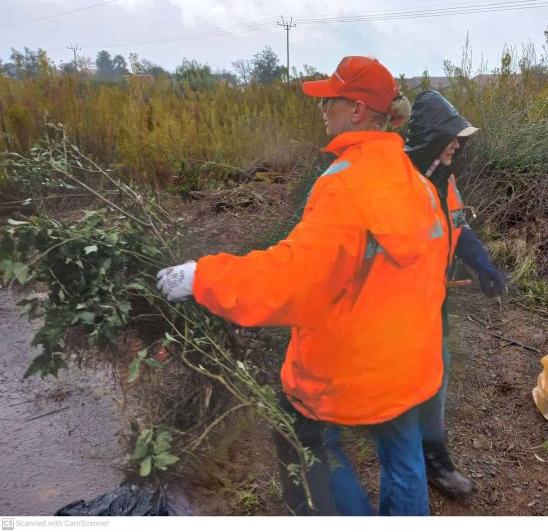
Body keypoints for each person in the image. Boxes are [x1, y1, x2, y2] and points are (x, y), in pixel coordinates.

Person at [156, 56, 450, 515]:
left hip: (349, 368)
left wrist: (202, 276)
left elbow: (293, 281)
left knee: (309, 444)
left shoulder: (342, 186)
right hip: (409, 362)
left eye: (328, 100)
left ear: (355, 109)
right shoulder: (418, 184)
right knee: (402, 454)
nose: (322, 109)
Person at [405, 90, 506, 498]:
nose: (457, 144)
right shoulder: (403, 184)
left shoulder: (446, 182)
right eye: (451, 136)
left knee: (436, 375)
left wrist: (483, 265)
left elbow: (458, 229)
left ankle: (433, 457)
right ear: (429, 137)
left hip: (433, 302)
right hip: (400, 307)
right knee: (408, 381)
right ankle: (408, 452)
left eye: (460, 138)